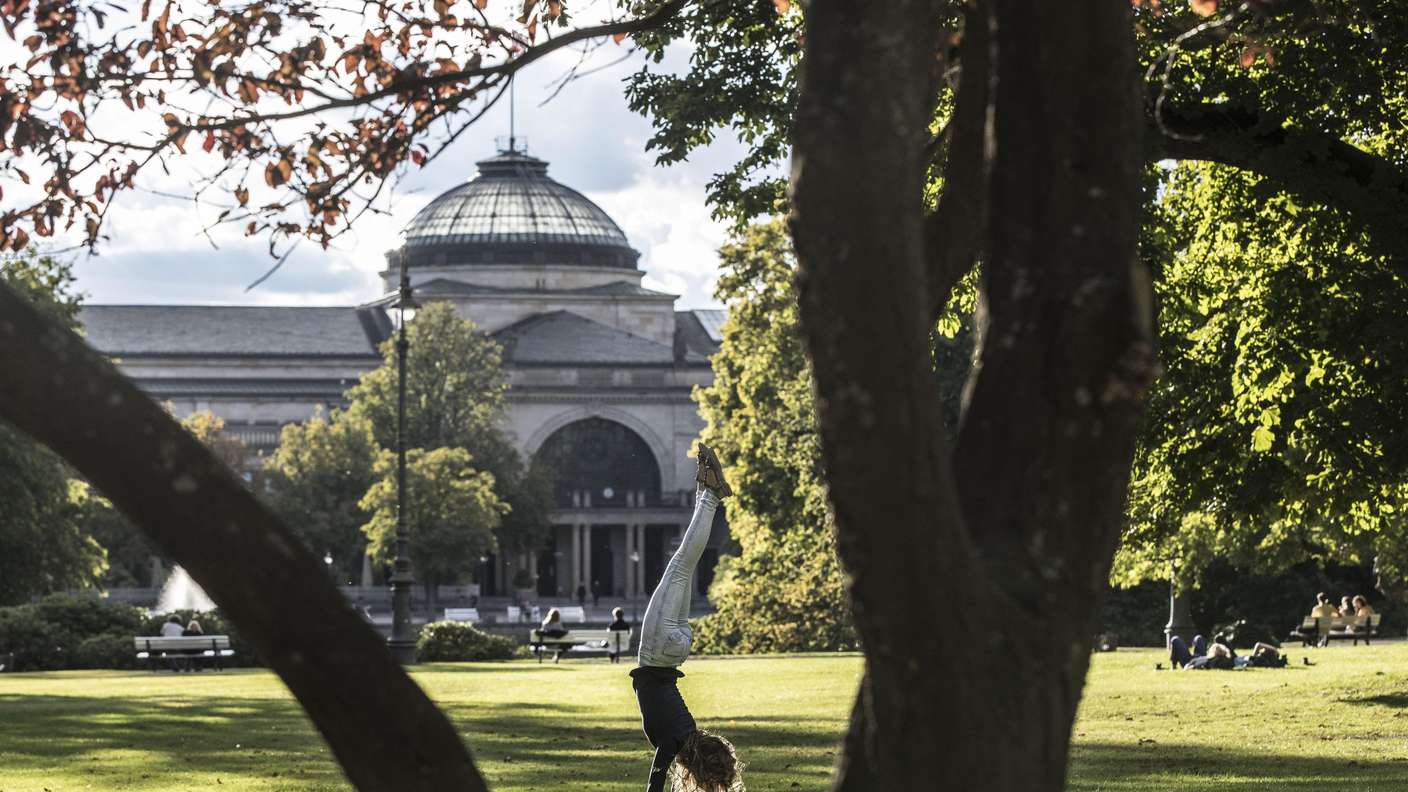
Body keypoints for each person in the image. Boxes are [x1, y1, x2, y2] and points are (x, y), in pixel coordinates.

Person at [631, 443, 743, 792]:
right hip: (658, 653)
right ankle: (709, 493)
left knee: (683, 566)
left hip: (676, 651)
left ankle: (704, 487)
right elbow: (655, 780)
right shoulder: (675, 742)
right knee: (680, 566)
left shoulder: (689, 731)